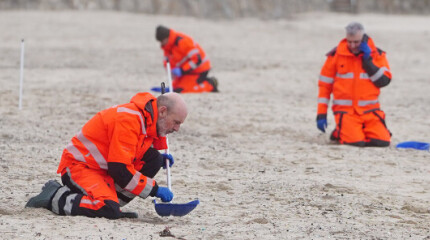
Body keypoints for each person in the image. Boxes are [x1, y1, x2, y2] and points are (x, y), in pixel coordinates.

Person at [26, 92, 188, 219]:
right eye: (176, 122)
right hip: (79, 167)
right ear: (162, 111)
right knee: (108, 208)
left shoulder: (147, 119)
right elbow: (120, 170)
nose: (177, 129)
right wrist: (155, 189)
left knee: (154, 159)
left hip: (102, 168)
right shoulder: (131, 119)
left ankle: (111, 205)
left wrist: (158, 160)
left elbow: (128, 151)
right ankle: (54, 196)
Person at [316, 22, 392, 147]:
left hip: (370, 111)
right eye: (349, 41)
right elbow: (324, 86)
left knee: (382, 142)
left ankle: (353, 130)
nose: (352, 45)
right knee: (356, 143)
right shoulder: (335, 56)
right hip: (346, 112)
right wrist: (321, 113)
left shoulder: (376, 55)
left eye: (356, 42)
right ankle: (340, 131)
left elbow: (384, 81)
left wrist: (368, 62)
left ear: (363, 39)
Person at [155, 25, 218, 93]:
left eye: (162, 41)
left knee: (183, 89)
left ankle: (211, 84)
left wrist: (181, 70)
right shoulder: (168, 46)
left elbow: (197, 60)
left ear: (166, 38)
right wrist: (171, 73)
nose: (161, 44)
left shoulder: (183, 41)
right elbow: (167, 62)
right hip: (186, 71)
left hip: (200, 69)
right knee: (175, 87)